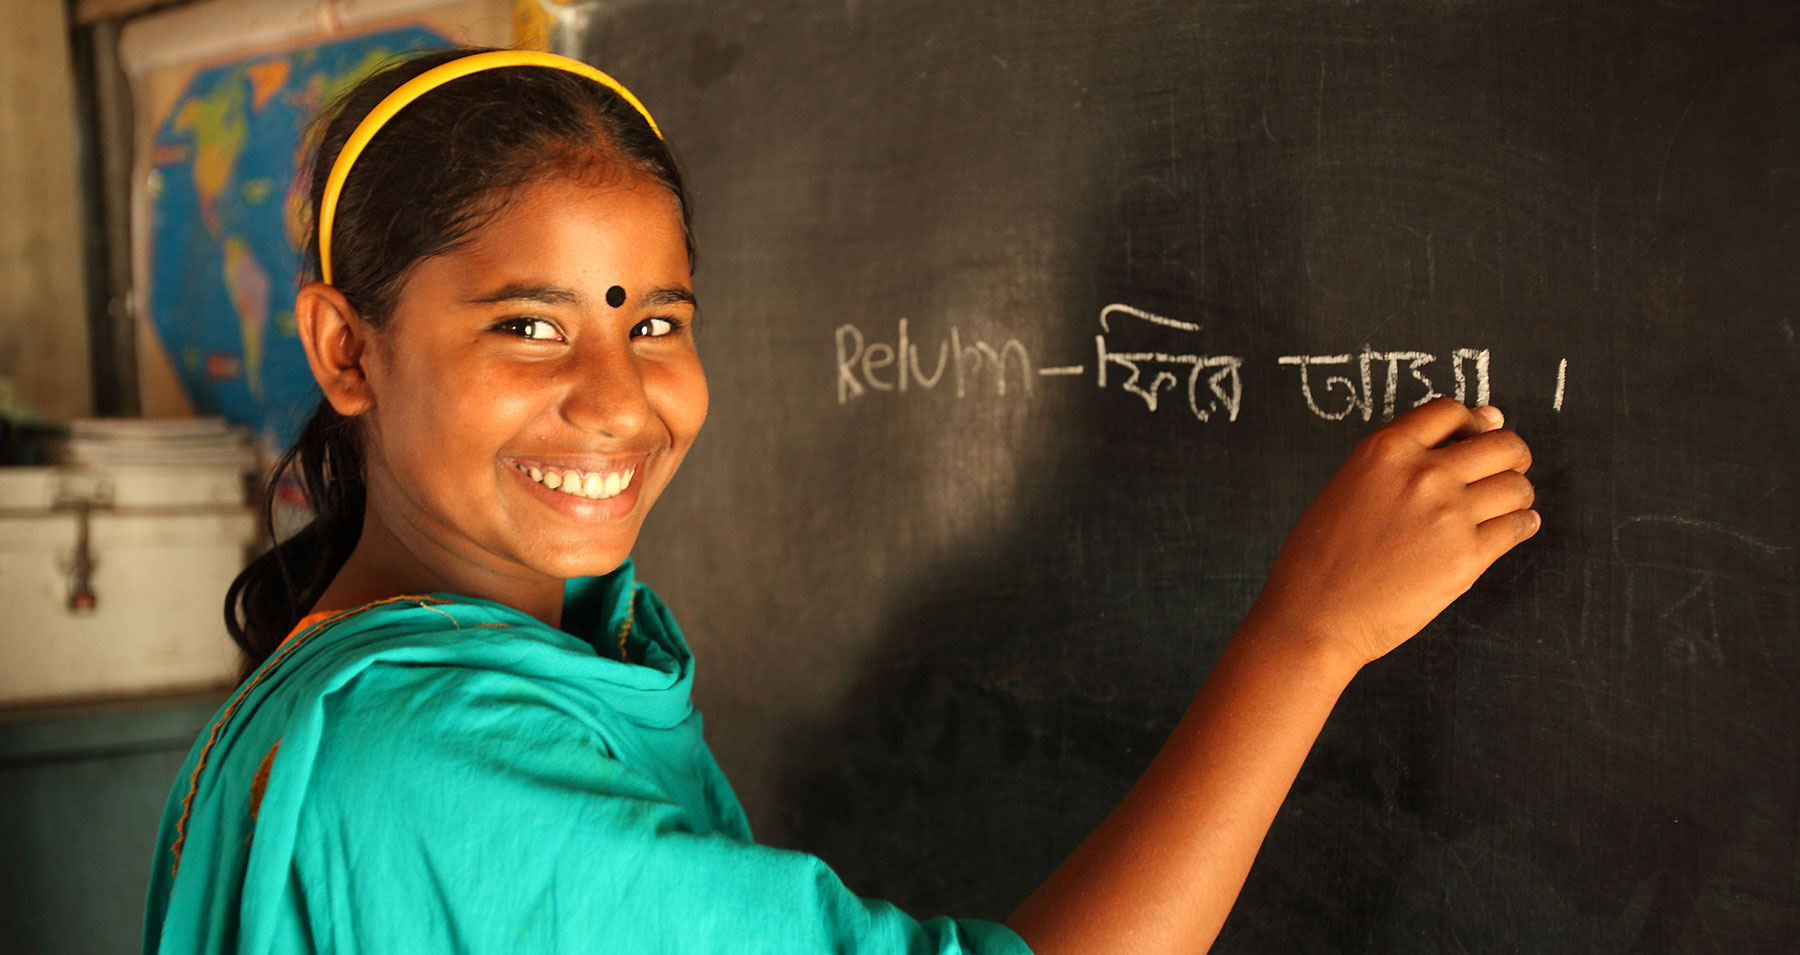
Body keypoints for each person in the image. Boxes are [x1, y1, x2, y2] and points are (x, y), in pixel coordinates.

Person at [141, 47, 1538, 954]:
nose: (619, 400)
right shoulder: (437, 765)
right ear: (343, 349)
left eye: (655, 323)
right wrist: (1309, 636)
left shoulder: (363, 689)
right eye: (528, 326)